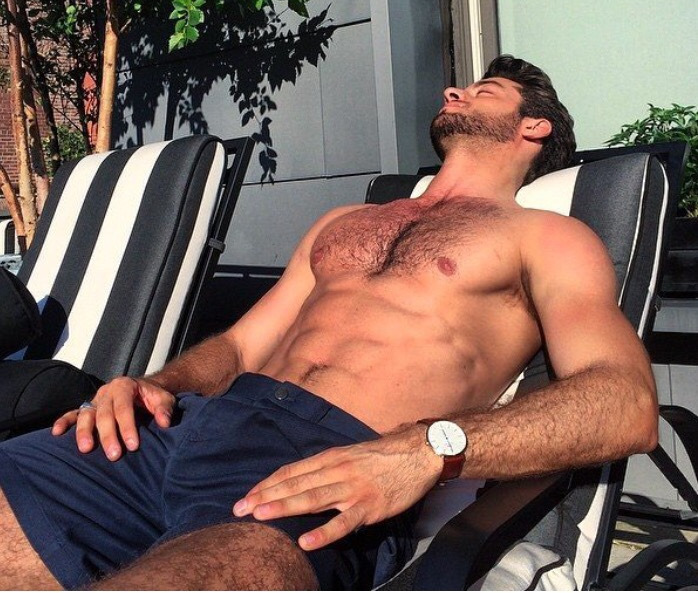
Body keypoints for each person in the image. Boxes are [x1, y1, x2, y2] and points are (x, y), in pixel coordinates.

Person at [0, 55, 657, 591]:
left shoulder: (546, 236)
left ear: (534, 127)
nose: (453, 90)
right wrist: (157, 384)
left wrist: (431, 449)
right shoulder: (344, 222)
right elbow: (241, 344)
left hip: (324, 466)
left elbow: (624, 402)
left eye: (484, 91)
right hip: (187, 426)